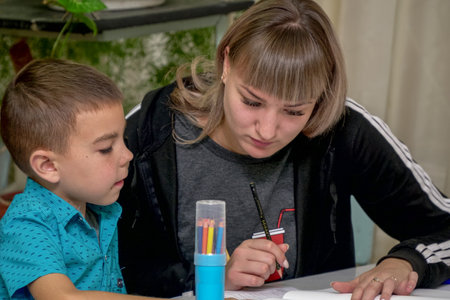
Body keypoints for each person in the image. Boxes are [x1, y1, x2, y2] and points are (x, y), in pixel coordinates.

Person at [117, 0, 450, 299]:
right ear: (227, 62)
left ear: (322, 94)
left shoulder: (341, 129)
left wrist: (405, 262)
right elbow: (103, 268)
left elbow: (442, 227)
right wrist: (214, 277)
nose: (267, 130)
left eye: (295, 111)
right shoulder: (150, 132)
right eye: (251, 101)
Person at [0, 59, 166, 300]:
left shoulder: (99, 210)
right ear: (48, 166)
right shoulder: (26, 224)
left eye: (123, 139)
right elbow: (62, 297)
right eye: (107, 147)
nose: (128, 155)